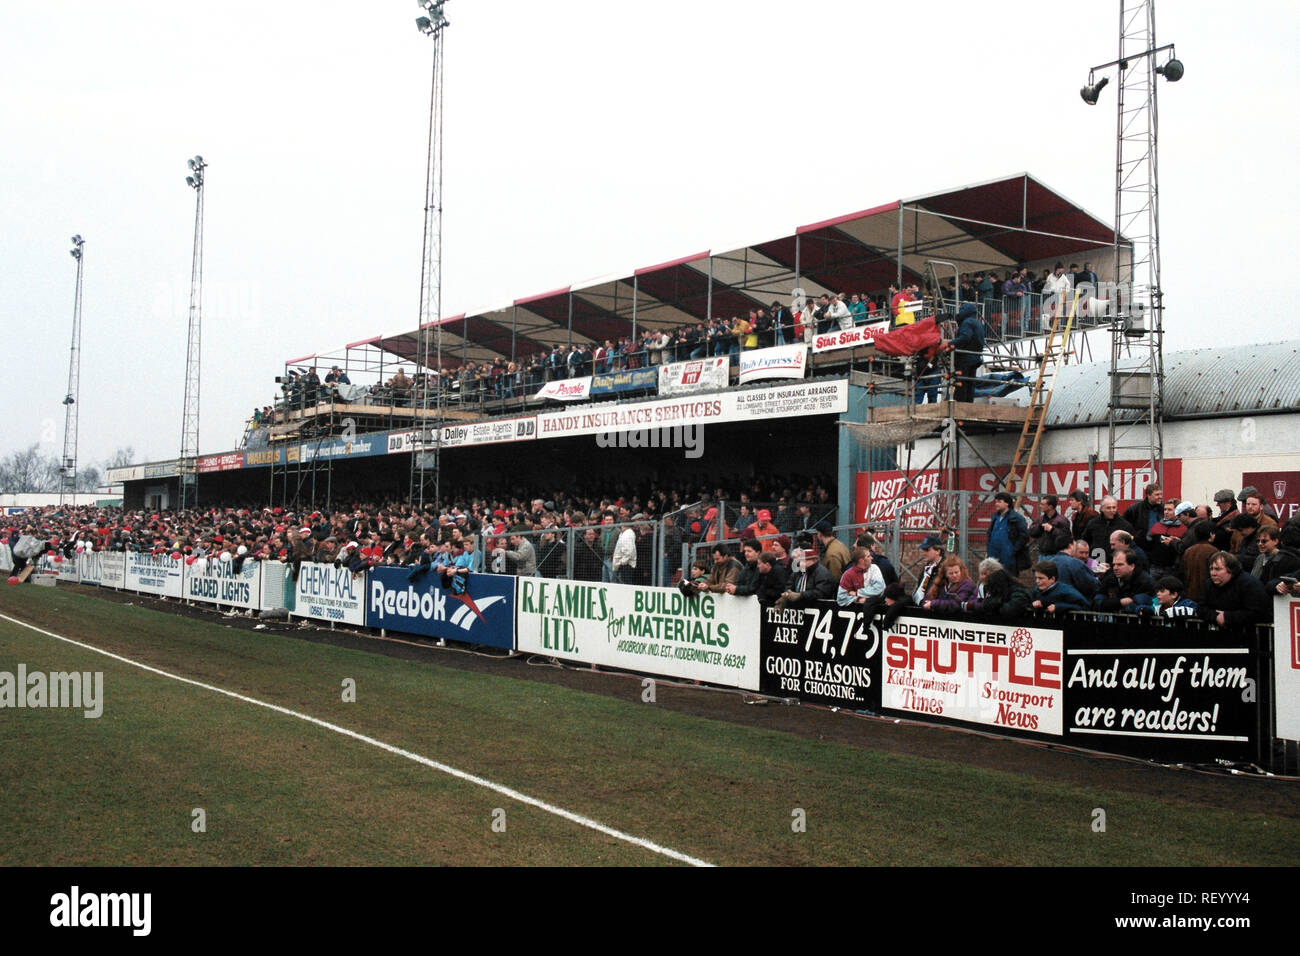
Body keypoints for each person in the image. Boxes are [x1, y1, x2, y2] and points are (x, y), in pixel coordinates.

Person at [1197, 551, 1271, 627]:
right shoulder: (1209, 584)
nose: (1213, 573)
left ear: (1231, 570)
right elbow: (1200, 608)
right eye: (1211, 569)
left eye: (1218, 569)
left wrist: (1228, 617)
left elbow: (1258, 613)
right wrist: (1215, 616)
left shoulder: (1249, 584)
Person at [1093, 548, 1156, 613]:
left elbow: (1138, 605)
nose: (1115, 568)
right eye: (1114, 564)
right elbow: (1097, 602)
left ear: (1132, 566)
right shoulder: (1110, 579)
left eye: (1120, 565)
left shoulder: (1145, 582)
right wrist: (1120, 602)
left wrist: (1110, 604)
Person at [947, 302, 985, 402]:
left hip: (965, 358)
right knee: (970, 385)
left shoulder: (967, 322)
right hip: (975, 358)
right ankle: (968, 409)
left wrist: (949, 344)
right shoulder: (978, 323)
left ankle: (959, 410)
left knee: (961, 385)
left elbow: (965, 337)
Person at [986, 492, 1029, 574]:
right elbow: (990, 534)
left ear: (1007, 503)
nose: (996, 504)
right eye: (996, 502)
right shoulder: (995, 518)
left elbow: (1024, 536)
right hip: (993, 555)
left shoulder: (1016, 518)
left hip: (1009, 558)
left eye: (999, 501)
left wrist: (1013, 550)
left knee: (1009, 580)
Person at [913, 535, 945, 604]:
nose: (923, 553)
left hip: (930, 608)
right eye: (923, 549)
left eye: (927, 550)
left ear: (938, 551)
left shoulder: (945, 569)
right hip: (918, 605)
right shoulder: (927, 567)